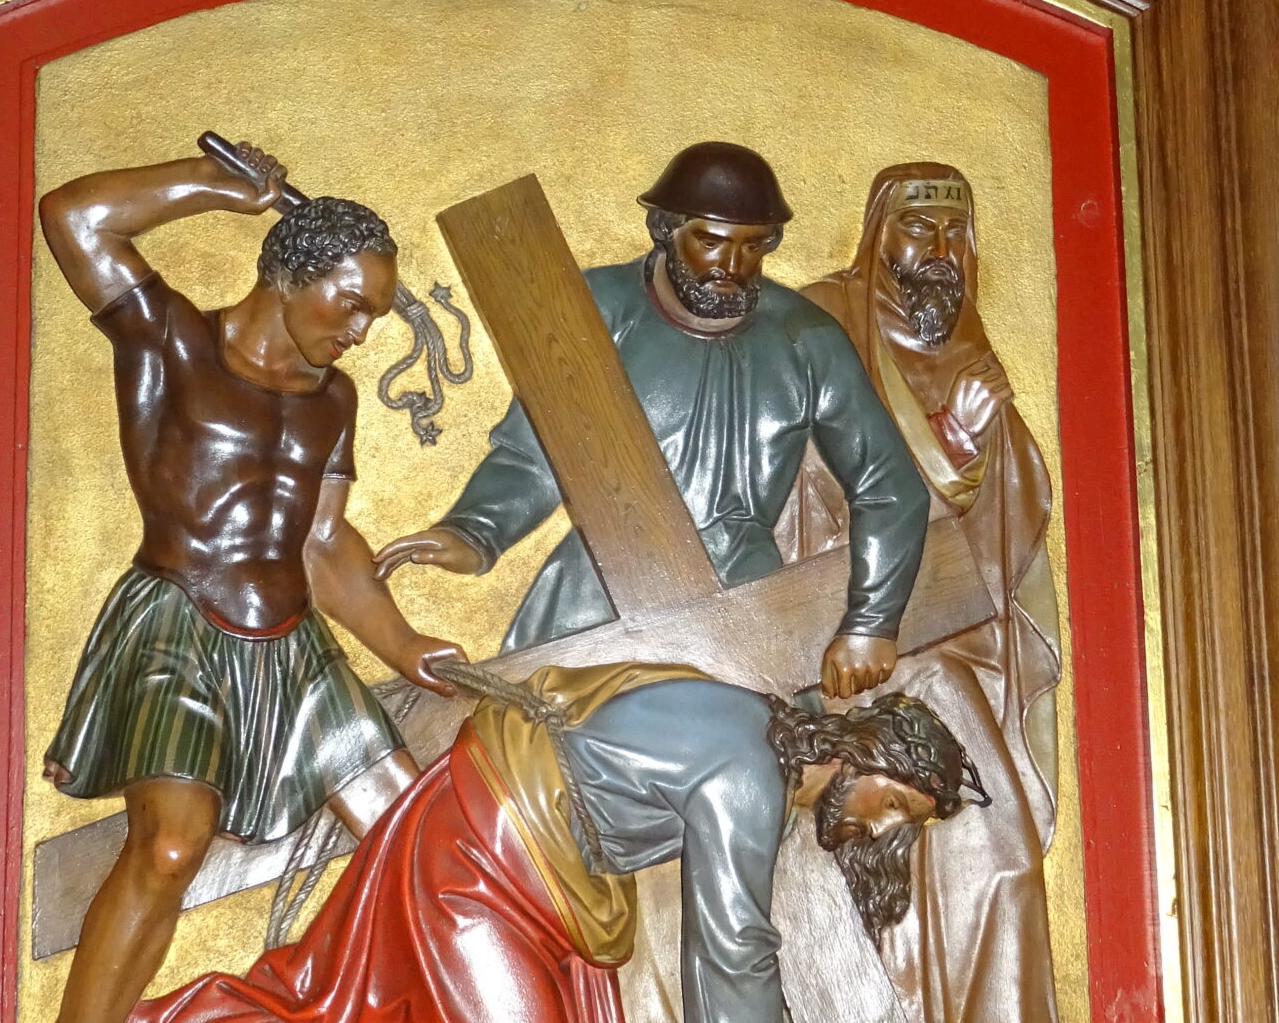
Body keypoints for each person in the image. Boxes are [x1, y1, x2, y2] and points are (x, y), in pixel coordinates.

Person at [31, 669, 985, 1023]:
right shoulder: (750, 775)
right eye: (896, 804)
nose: (884, 828)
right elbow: (733, 949)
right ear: (862, 756)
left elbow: (774, 962)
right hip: (486, 864)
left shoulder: (753, 723)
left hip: (511, 859)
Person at [25, 141, 465, 1023]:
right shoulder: (172, 338)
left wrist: (405, 645)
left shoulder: (333, 400)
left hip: (290, 641)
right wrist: (214, 186)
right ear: (291, 272)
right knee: (170, 844)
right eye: (351, 304)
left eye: (373, 314)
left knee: (418, 844)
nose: (359, 330)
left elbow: (324, 544)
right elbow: (73, 217)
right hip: (179, 619)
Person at [375, 141, 930, 702]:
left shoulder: (806, 339)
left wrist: (871, 623)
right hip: (600, 586)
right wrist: (474, 531)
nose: (732, 266)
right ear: (666, 229)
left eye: (752, 245)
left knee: (768, 742)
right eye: (710, 242)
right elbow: (535, 454)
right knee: (528, 733)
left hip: (743, 599)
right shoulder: (592, 309)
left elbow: (888, 485)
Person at [789, 161, 1087, 1023]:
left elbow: (1012, 530)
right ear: (879, 236)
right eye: (919, 229)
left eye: (957, 233)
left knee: (988, 830)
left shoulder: (973, 361)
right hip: (830, 651)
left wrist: (981, 439)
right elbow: (805, 483)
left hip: (946, 657)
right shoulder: (824, 327)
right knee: (887, 826)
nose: (941, 253)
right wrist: (949, 439)